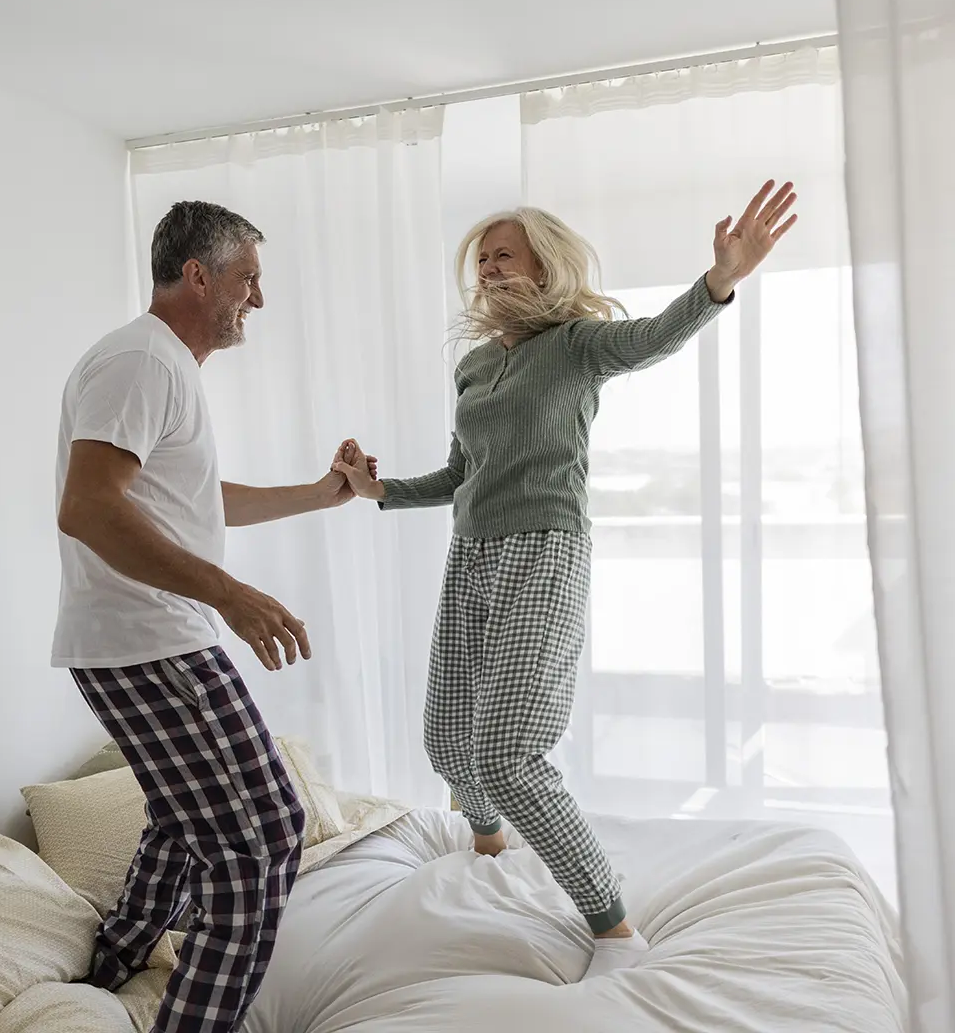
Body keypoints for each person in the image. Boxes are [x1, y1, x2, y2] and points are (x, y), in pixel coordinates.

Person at [333, 180, 798, 977]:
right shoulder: (475, 368)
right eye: (480, 259)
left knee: (509, 753)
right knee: (448, 741)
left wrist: (721, 279)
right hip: (470, 554)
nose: (487, 269)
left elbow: (654, 336)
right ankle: (488, 850)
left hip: (544, 553)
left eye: (503, 254)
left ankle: (613, 927)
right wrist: (378, 491)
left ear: (544, 265)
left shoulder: (579, 345)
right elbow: (461, 474)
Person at [53, 200, 374, 1032]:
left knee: (183, 815)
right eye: (248, 280)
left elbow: (193, 500)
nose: (257, 301)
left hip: (139, 639)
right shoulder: (142, 362)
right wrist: (229, 595)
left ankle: (108, 969)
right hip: (151, 641)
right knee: (265, 834)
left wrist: (320, 492)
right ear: (198, 276)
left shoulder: (160, 366)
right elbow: (88, 507)